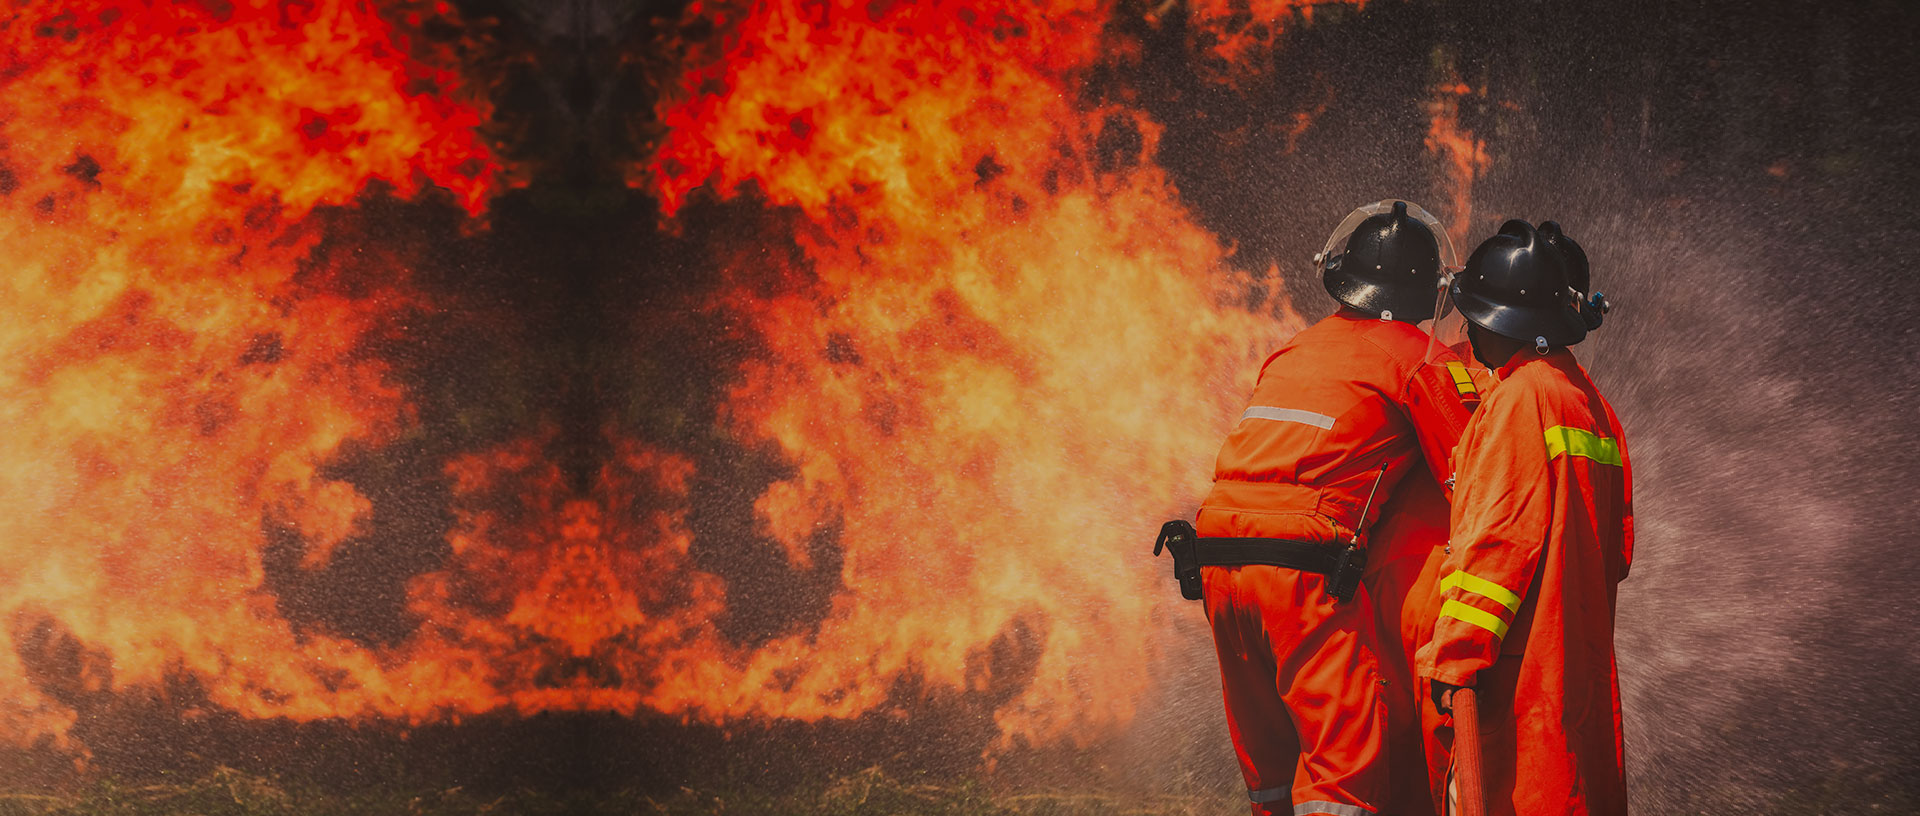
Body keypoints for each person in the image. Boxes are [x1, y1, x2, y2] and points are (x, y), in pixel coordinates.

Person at [1190, 200, 1479, 816]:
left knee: (1269, 765)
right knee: (1343, 774)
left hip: (1213, 558)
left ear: (1343, 274)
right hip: (1304, 568)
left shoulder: (1294, 350)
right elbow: (1476, 469)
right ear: (1429, 289)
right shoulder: (1420, 358)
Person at [1416, 219, 1632, 815]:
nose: (1467, 330)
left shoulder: (1519, 398)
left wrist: (1456, 652)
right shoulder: (1587, 400)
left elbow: (1498, 543)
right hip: (1576, 661)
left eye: (1477, 317)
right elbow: (1618, 551)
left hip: (1517, 671)